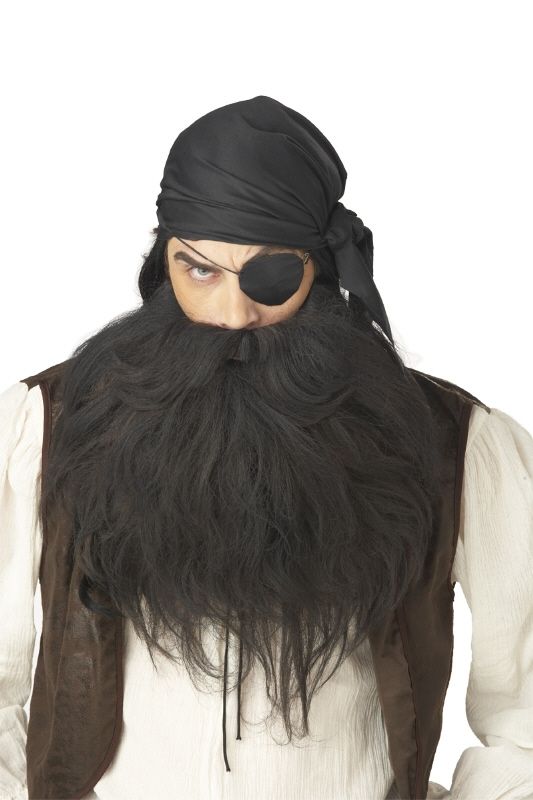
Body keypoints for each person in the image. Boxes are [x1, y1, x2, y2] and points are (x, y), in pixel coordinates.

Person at [1, 95, 532, 800]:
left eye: (269, 277)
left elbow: (525, 714)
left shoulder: (450, 441)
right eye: (200, 271)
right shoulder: (52, 423)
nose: (233, 314)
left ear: (321, 268)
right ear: (164, 263)